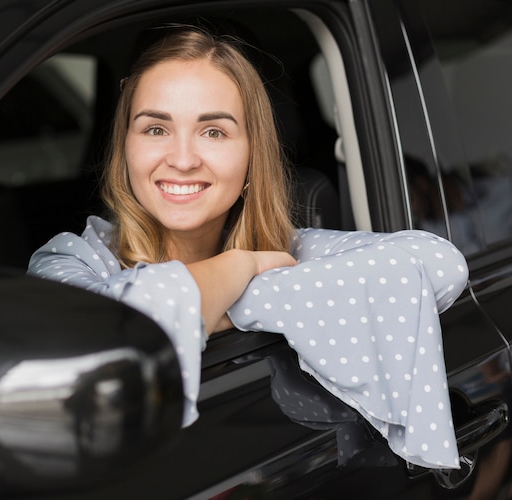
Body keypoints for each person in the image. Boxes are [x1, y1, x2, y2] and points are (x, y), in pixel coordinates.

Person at [28, 28, 468, 470]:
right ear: (127, 146)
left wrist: (224, 297)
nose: (182, 159)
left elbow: (438, 263)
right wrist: (242, 266)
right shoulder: (67, 260)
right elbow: (120, 332)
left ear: (251, 157)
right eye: (156, 128)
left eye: (214, 131)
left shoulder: (289, 247)